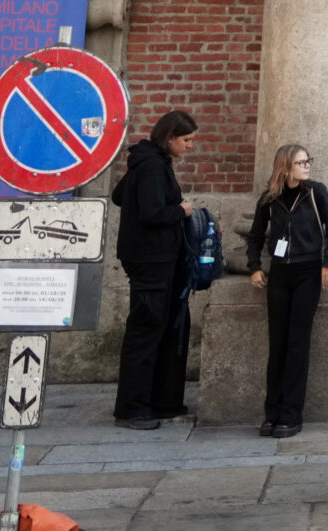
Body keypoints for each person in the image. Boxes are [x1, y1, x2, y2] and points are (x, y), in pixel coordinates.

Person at [245, 142, 328, 438]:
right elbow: (255, 236)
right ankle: (271, 413)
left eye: (308, 161)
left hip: (308, 273)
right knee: (278, 345)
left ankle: (291, 414)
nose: (307, 166)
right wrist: (253, 266)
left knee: (297, 344)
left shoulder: (315, 192)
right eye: (301, 162)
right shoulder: (269, 199)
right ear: (286, 167)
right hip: (279, 273)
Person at [112, 110, 197, 430]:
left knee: (156, 328)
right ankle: (132, 409)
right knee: (145, 332)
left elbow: (119, 195)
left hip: (152, 258)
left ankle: (158, 401)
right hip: (151, 260)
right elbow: (151, 213)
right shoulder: (151, 165)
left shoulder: (146, 162)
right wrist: (180, 209)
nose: (190, 146)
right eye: (187, 140)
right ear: (170, 137)